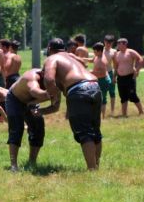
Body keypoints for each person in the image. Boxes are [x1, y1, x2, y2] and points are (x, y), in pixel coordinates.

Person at [43, 38, 102, 170]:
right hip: (95, 86)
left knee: (84, 132)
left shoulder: (52, 59)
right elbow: (84, 64)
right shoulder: (71, 55)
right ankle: (96, 166)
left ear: (49, 49)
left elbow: (48, 79)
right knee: (95, 129)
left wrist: (52, 96)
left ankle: (92, 169)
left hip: (78, 90)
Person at [5, 69, 52, 171]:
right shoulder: (32, 77)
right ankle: (13, 165)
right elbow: (35, 91)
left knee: (38, 127)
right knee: (16, 129)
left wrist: (35, 103)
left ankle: (32, 161)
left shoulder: (53, 79)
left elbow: (53, 102)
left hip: (31, 101)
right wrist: (51, 94)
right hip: (15, 99)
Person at [114, 38, 144, 117]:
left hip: (130, 77)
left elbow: (140, 59)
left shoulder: (130, 52)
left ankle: (141, 112)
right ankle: (124, 114)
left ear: (124, 44)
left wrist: (137, 70)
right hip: (120, 78)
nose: (117, 45)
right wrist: (114, 76)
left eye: (119, 43)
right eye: (117, 43)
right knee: (123, 96)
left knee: (132, 95)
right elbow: (116, 66)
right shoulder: (117, 54)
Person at [91, 42, 112, 119]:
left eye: (94, 51)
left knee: (102, 99)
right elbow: (91, 60)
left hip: (103, 80)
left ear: (99, 51)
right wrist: (79, 58)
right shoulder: (97, 56)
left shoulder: (102, 60)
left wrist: (90, 72)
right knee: (97, 98)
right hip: (99, 80)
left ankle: (102, 116)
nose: (93, 52)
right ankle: (98, 115)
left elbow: (102, 73)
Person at [103, 35, 118, 116]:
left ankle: (112, 111)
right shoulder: (100, 50)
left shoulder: (114, 51)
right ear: (104, 41)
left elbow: (116, 65)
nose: (108, 44)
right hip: (101, 74)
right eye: (106, 42)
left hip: (110, 73)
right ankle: (101, 111)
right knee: (102, 92)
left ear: (112, 42)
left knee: (112, 92)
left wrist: (114, 77)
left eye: (110, 42)